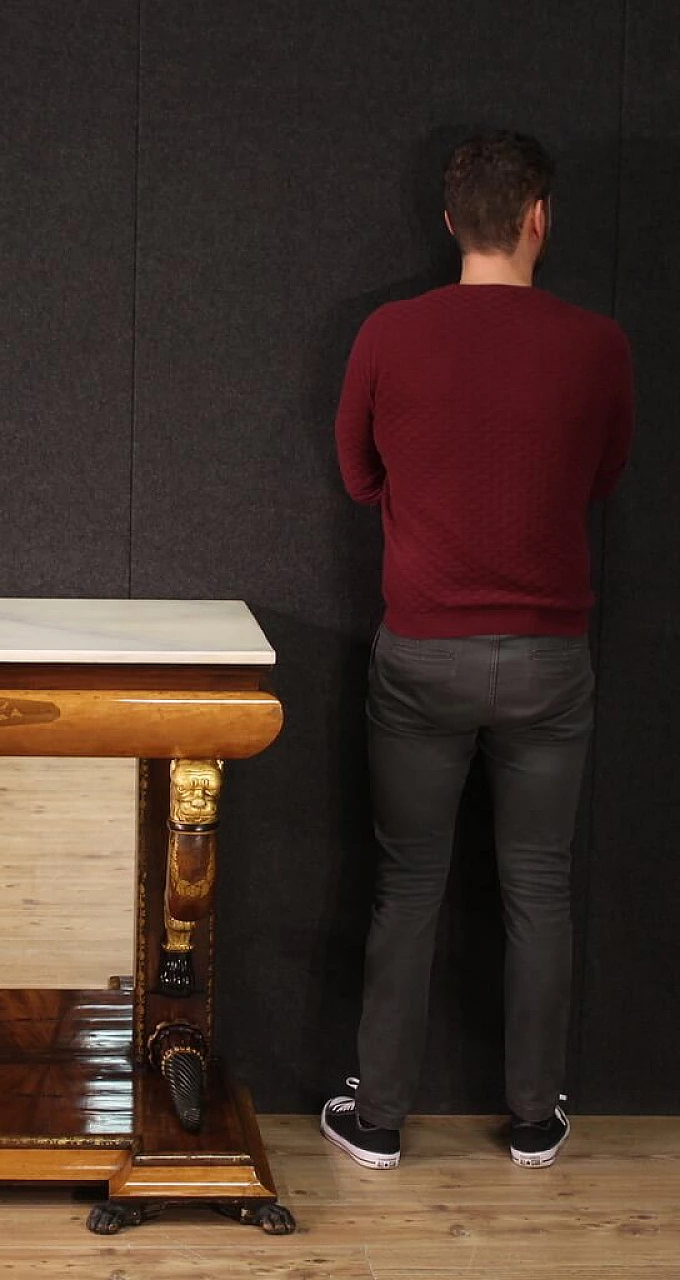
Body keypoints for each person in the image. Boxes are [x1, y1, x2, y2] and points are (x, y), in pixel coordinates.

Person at [322, 131, 634, 1170]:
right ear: (538, 216)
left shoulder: (386, 332)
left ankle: (376, 1122)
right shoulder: (597, 345)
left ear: (451, 219)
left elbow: (357, 474)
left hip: (419, 655)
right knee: (537, 885)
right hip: (548, 659)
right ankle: (534, 1119)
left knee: (405, 884)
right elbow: (601, 476)